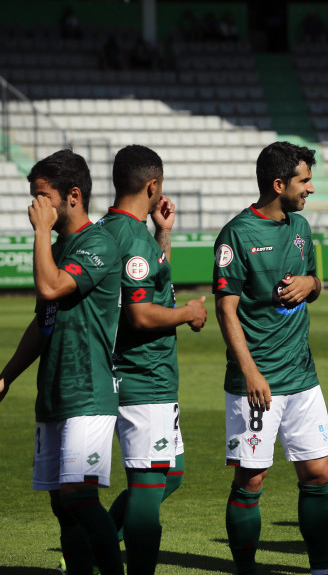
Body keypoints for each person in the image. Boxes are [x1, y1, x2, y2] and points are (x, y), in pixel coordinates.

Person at [213, 142, 328, 575]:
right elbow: (225, 309)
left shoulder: (301, 227)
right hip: (257, 381)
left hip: (302, 377)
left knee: (319, 473)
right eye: (304, 180)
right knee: (251, 479)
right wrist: (250, 372)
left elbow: (314, 283)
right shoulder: (236, 234)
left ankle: (322, 569)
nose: (311, 188)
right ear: (278, 183)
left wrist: (311, 284)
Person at [0, 150, 125, 574]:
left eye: (41, 196)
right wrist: (7, 377)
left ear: (72, 196)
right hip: (53, 391)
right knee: (61, 505)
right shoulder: (57, 247)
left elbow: (52, 288)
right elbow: (44, 322)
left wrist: (39, 232)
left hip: (88, 390)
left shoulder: (98, 242)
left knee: (79, 496)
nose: (35, 205)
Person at [98, 145, 208, 575]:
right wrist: (189, 313)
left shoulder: (112, 229)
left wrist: (163, 233)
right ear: (152, 185)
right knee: (147, 484)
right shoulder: (131, 237)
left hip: (144, 375)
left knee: (172, 475)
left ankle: (94, 545)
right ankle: (112, 558)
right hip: (143, 375)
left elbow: (148, 282)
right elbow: (142, 313)